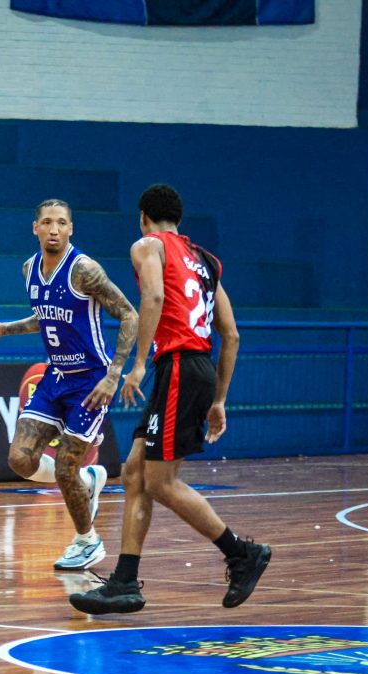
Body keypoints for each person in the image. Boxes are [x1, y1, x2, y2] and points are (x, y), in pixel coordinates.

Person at [70, 184, 269, 614]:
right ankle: (125, 582)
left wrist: (140, 363)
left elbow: (154, 296)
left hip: (176, 366)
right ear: (178, 218)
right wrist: (219, 399)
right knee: (134, 472)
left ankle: (241, 553)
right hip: (196, 368)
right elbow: (231, 334)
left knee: (160, 482)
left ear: (144, 217)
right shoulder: (207, 261)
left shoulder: (147, 245)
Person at [0, 199, 139, 570]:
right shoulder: (29, 269)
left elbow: (129, 314)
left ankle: (88, 541)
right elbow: (45, 318)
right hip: (56, 376)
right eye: (46, 222)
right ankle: (89, 480)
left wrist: (114, 374)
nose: (53, 229)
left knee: (63, 470)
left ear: (71, 229)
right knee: (20, 459)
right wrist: (2, 330)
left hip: (91, 381)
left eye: (61, 222)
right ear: (35, 228)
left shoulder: (84, 269)